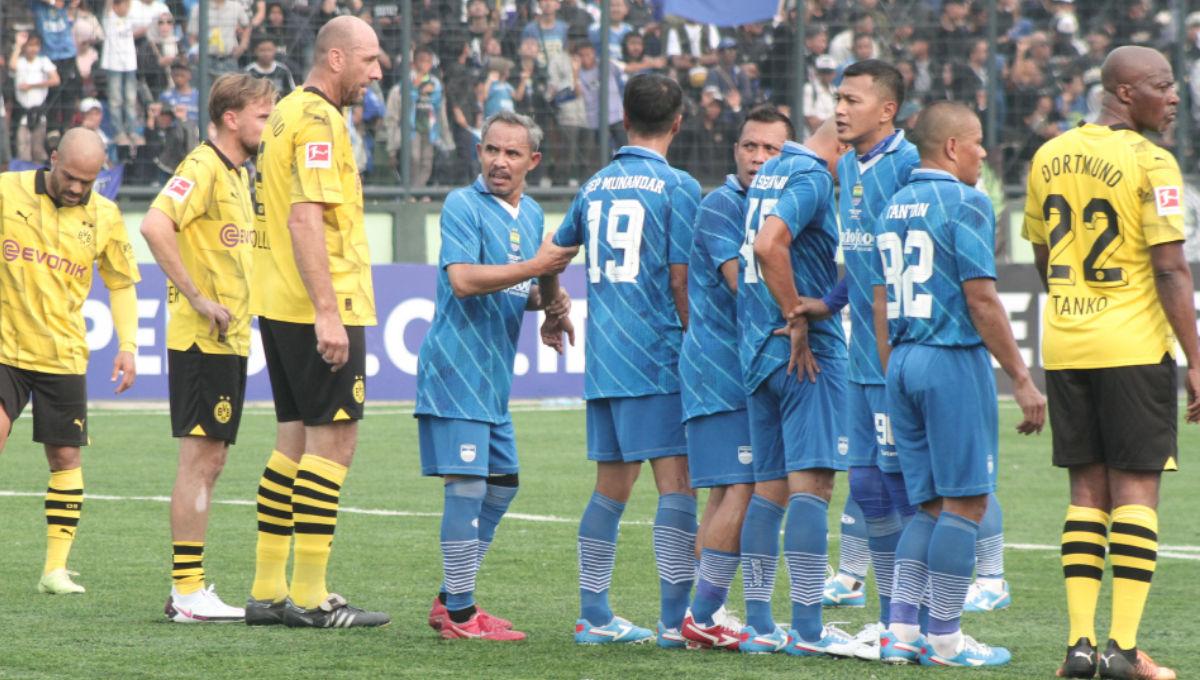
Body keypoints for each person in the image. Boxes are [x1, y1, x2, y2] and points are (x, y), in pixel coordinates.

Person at [1023, 45, 1198, 680]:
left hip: (1067, 343)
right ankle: (1123, 651)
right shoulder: (1152, 161)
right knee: (1136, 493)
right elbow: (1171, 269)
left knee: (1085, 496)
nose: (1174, 96)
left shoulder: (1048, 154)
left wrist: (1077, 306)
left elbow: (1043, 256)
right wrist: (1196, 361)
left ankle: (1078, 647)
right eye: (1162, 84)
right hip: (1132, 346)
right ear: (1125, 92)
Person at [875, 101, 1045, 668]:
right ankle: (946, 640)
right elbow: (981, 298)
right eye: (976, 144)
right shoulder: (965, 201)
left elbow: (878, 298)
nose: (982, 156)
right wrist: (1022, 379)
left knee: (928, 506)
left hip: (902, 360)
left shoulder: (893, 204)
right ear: (950, 147)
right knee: (967, 502)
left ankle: (900, 633)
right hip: (949, 360)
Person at [245, 15, 387, 629]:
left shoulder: (281, 115)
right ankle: (310, 595)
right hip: (317, 305)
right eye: (370, 60)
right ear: (336, 58)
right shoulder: (320, 119)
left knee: (293, 443)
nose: (377, 72)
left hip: (279, 301)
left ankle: (268, 589)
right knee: (334, 444)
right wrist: (329, 312)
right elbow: (306, 218)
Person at [416, 111, 577, 641]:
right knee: (466, 487)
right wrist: (538, 270)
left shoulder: (530, 214)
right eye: (491, 150)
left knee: (503, 484)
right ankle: (461, 617)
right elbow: (463, 281)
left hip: (491, 378)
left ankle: (449, 599)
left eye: (511, 153)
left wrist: (550, 307)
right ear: (479, 153)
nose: (499, 162)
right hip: (455, 369)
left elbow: (526, 285)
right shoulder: (463, 204)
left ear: (532, 161)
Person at [553, 73, 701, 647]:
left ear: (623, 118)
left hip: (604, 359)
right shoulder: (678, 186)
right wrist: (697, 344)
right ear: (679, 121)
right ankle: (673, 621)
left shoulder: (593, 186)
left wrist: (550, 308)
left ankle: (594, 615)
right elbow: (681, 276)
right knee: (678, 487)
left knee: (609, 491)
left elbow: (555, 252)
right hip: (658, 355)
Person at [140, 73, 276, 623]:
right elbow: (154, 226)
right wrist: (196, 296)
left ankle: (189, 590)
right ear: (230, 118)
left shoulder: (238, 174)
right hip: (202, 340)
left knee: (212, 459)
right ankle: (188, 592)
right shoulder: (201, 167)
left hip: (229, 341)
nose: (269, 126)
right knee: (200, 460)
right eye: (262, 117)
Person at [734, 113, 854, 657]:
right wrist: (798, 314)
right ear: (844, 145)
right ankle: (808, 630)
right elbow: (768, 245)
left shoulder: (770, 172)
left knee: (770, 491)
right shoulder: (810, 176)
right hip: (802, 351)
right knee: (814, 488)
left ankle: (761, 623)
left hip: (759, 349)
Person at [0, 127, 139, 595]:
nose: (78, 187)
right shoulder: (6, 191)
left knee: (65, 457)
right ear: (52, 157)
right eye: (72, 176)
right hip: (4, 349)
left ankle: (54, 570)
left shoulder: (105, 215)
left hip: (62, 353)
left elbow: (120, 282)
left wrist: (129, 345)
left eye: (89, 179)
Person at [677, 106, 793, 651]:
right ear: (735, 151)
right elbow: (744, 284)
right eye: (751, 146)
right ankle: (705, 613)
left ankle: (707, 612)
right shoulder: (723, 205)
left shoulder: (767, 207)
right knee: (746, 487)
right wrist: (806, 308)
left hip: (733, 369)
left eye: (772, 150)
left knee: (728, 489)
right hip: (721, 369)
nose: (759, 158)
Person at [830, 58, 921, 658]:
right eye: (838, 97)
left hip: (897, 356)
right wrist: (824, 303)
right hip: (858, 351)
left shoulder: (910, 166)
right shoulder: (846, 166)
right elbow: (854, 258)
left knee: (903, 488)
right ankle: (891, 618)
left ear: (886, 110)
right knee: (865, 485)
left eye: (852, 100)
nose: (839, 108)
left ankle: (918, 622)